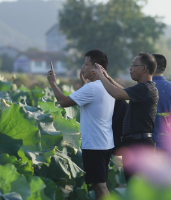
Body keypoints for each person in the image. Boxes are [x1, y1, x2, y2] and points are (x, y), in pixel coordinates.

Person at [47, 49, 115, 200]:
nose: (83, 68)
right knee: (99, 185)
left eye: (86, 64)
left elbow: (64, 102)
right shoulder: (108, 86)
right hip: (105, 142)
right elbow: (92, 103)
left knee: (100, 186)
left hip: (94, 144)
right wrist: (84, 84)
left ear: (95, 67)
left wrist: (52, 83)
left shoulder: (92, 88)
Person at [91, 52, 159, 182]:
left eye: (134, 65)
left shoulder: (145, 89)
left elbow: (117, 94)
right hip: (136, 143)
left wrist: (100, 76)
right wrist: (108, 77)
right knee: (133, 186)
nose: (130, 69)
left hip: (140, 145)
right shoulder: (144, 88)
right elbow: (123, 90)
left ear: (144, 68)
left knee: (138, 187)